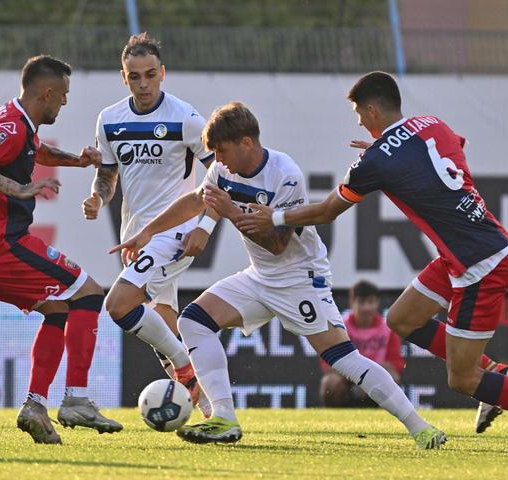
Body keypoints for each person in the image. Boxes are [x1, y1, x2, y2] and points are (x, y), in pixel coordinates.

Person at [236, 71, 508, 453]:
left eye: (360, 113)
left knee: (461, 379)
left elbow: (328, 211)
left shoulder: (375, 161)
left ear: (373, 109)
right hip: (467, 251)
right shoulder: (432, 123)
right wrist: (386, 157)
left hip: (480, 265)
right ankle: (494, 373)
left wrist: (274, 218)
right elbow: (454, 147)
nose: (359, 121)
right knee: (401, 319)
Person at [112, 101, 447, 449]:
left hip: (298, 277)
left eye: (222, 152)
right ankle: (224, 418)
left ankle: (420, 427)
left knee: (343, 359)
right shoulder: (224, 170)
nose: (219, 161)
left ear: (246, 143)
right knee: (193, 321)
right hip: (260, 276)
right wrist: (148, 232)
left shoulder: (285, 174)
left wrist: (228, 211)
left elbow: (277, 244)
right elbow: (198, 201)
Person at [0, 55, 122, 444]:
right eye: (62, 96)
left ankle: (35, 405)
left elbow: (32, 151)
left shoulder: (15, 122)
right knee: (90, 292)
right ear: (47, 92)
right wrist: (21, 189)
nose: (64, 103)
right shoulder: (12, 126)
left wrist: (78, 162)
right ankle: (76, 399)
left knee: (57, 307)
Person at [82, 33, 218, 412]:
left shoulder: (185, 118)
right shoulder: (110, 120)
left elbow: (220, 177)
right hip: (134, 235)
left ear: (162, 73)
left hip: (174, 233)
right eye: (134, 76)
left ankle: (186, 371)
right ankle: (208, 403)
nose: (143, 84)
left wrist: (203, 226)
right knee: (161, 318)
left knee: (120, 304)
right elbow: (108, 177)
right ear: (123, 77)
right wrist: (98, 197)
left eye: (149, 75)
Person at [320, 280, 404, 408]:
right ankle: (335, 417)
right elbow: (327, 363)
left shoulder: (387, 329)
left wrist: (369, 377)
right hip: (346, 378)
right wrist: (358, 377)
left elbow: (396, 364)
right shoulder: (340, 326)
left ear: (377, 303)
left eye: (370, 302)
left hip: (376, 377)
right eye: (361, 302)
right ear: (352, 303)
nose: (366, 308)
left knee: (392, 377)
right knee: (329, 382)